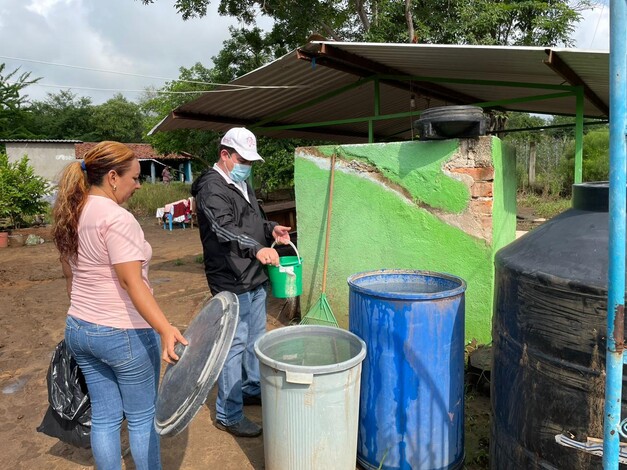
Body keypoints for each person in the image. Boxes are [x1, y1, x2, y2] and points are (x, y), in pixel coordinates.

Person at [52, 141, 187, 470]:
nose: (138, 185)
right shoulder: (117, 218)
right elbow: (131, 282)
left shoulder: (73, 211)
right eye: (135, 178)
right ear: (113, 177)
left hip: (80, 328)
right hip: (122, 333)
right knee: (142, 419)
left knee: (106, 417)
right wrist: (165, 328)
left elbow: (70, 275)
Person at [191, 127, 291, 438]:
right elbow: (225, 230)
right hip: (230, 278)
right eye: (242, 159)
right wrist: (257, 248)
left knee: (254, 339)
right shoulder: (211, 188)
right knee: (233, 346)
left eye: (250, 160)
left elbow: (252, 222)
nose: (247, 165)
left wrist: (271, 229)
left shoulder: (241, 182)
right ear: (225, 155)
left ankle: (249, 388)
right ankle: (228, 412)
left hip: (253, 274)